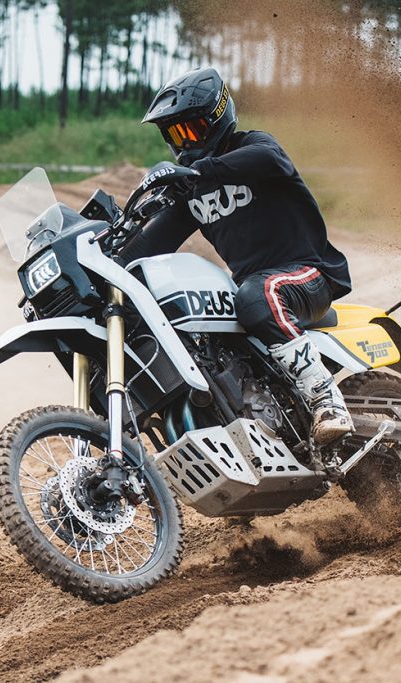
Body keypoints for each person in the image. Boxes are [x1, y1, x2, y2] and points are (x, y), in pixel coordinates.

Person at [120, 66, 354, 445]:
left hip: (308, 275)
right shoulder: (192, 191)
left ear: (217, 116)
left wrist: (196, 172)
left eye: (190, 129)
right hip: (256, 290)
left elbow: (271, 159)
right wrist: (99, 263)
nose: (184, 143)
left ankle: (327, 400)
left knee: (257, 295)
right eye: (174, 134)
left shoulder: (253, 147)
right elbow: (146, 248)